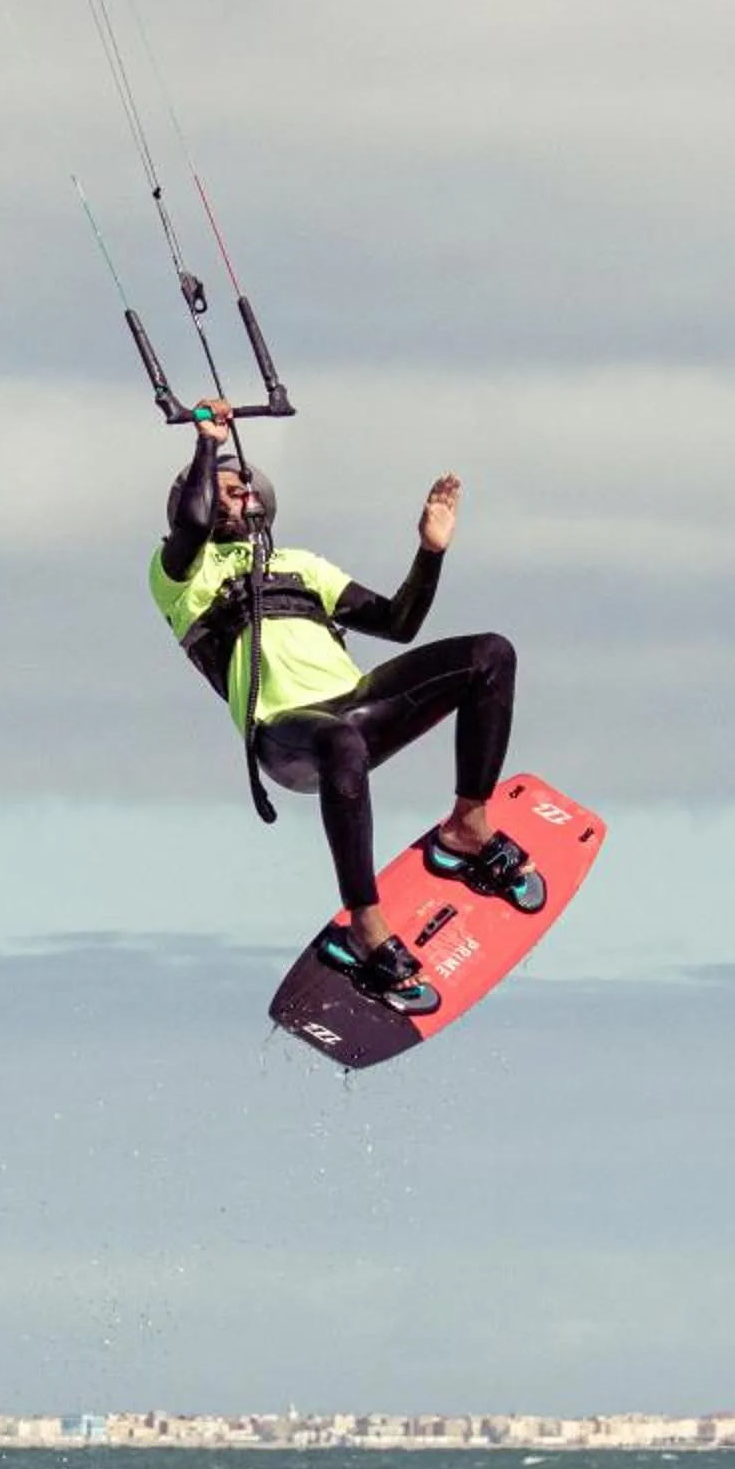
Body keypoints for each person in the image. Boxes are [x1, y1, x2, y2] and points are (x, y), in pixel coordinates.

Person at [148, 404, 542, 1013]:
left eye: (243, 485)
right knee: (341, 742)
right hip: (286, 735)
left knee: (491, 655)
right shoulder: (178, 573)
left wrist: (429, 553)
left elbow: (399, 623)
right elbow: (194, 524)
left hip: (355, 709)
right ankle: (366, 927)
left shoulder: (301, 565)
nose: (238, 493)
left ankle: (467, 827)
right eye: (225, 489)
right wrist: (207, 444)